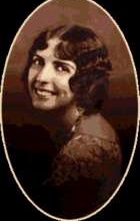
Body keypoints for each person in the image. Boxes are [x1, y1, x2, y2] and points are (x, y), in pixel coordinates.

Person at [21, 25, 122, 218]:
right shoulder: (83, 122)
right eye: (38, 61)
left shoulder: (83, 153)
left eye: (61, 67)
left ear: (86, 79)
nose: (41, 77)